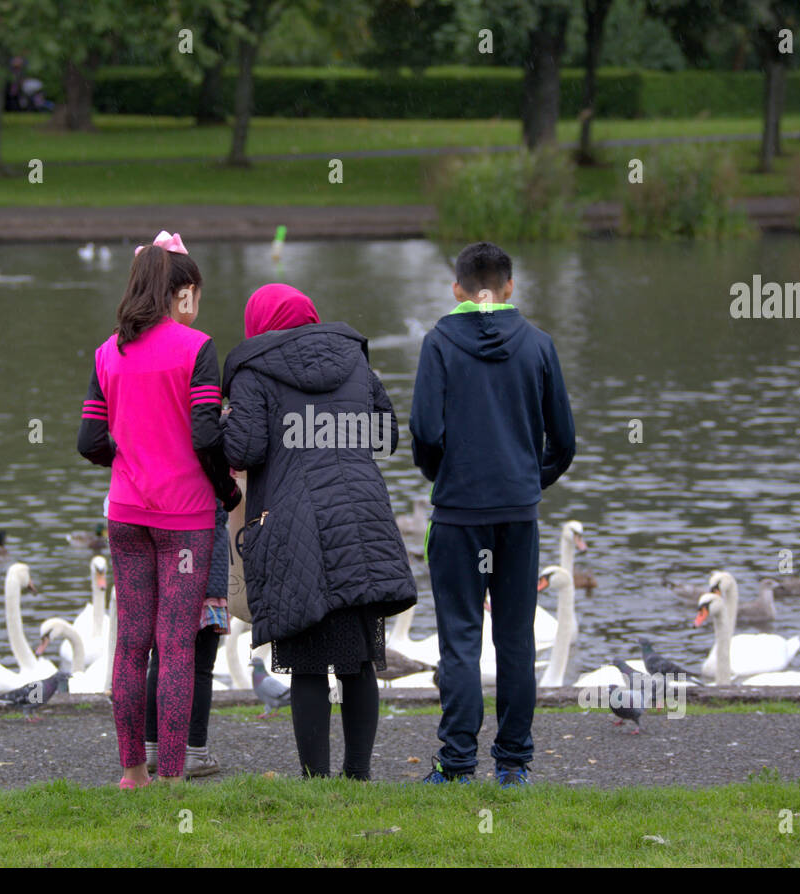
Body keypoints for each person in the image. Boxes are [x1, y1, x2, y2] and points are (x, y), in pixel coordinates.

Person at [222, 284, 416, 780]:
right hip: (361, 519)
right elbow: (383, 434)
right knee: (357, 658)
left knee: (306, 658)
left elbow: (243, 451)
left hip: (293, 526)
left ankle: (315, 780)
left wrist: (219, 421)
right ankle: (359, 776)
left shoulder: (253, 368)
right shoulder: (352, 357)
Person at [76, 231, 241, 788]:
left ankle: (132, 773)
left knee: (130, 646)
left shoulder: (107, 352)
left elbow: (89, 442)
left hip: (125, 513)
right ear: (178, 291)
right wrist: (229, 491)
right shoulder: (196, 348)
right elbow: (204, 434)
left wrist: (129, 454)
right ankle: (172, 776)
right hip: (186, 520)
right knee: (174, 648)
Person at [409, 241, 575, 787]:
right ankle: (513, 763)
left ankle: (456, 764)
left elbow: (426, 433)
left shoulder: (438, 344)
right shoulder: (540, 346)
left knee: (459, 637)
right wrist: (529, 480)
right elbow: (564, 442)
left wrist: (447, 478)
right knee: (516, 637)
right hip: (517, 513)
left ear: (458, 289)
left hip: (458, 512)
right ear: (510, 287)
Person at [142, 492, 231, 778]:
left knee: (161, 658)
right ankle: (195, 752)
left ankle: (152, 746)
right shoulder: (209, 455)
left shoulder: (162, 457)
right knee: (202, 668)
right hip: (206, 571)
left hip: (167, 571)